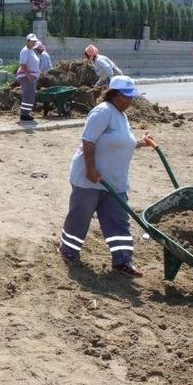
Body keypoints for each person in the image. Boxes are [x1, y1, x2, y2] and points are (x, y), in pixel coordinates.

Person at [59, 76, 151, 277]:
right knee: (80, 217)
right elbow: (88, 141)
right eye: (127, 96)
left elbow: (120, 142)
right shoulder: (102, 112)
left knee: (118, 220)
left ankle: (123, 261)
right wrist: (90, 169)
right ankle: (68, 251)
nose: (130, 100)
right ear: (115, 94)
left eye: (131, 96)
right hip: (90, 179)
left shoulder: (121, 114)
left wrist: (140, 143)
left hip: (114, 181)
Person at [17, 33, 41, 121]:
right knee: (28, 95)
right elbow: (23, 64)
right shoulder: (25, 51)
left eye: (34, 41)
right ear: (27, 41)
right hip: (26, 76)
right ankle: (24, 115)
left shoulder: (31, 50)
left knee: (30, 95)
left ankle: (26, 113)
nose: (34, 43)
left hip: (31, 76)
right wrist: (29, 75)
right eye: (32, 41)